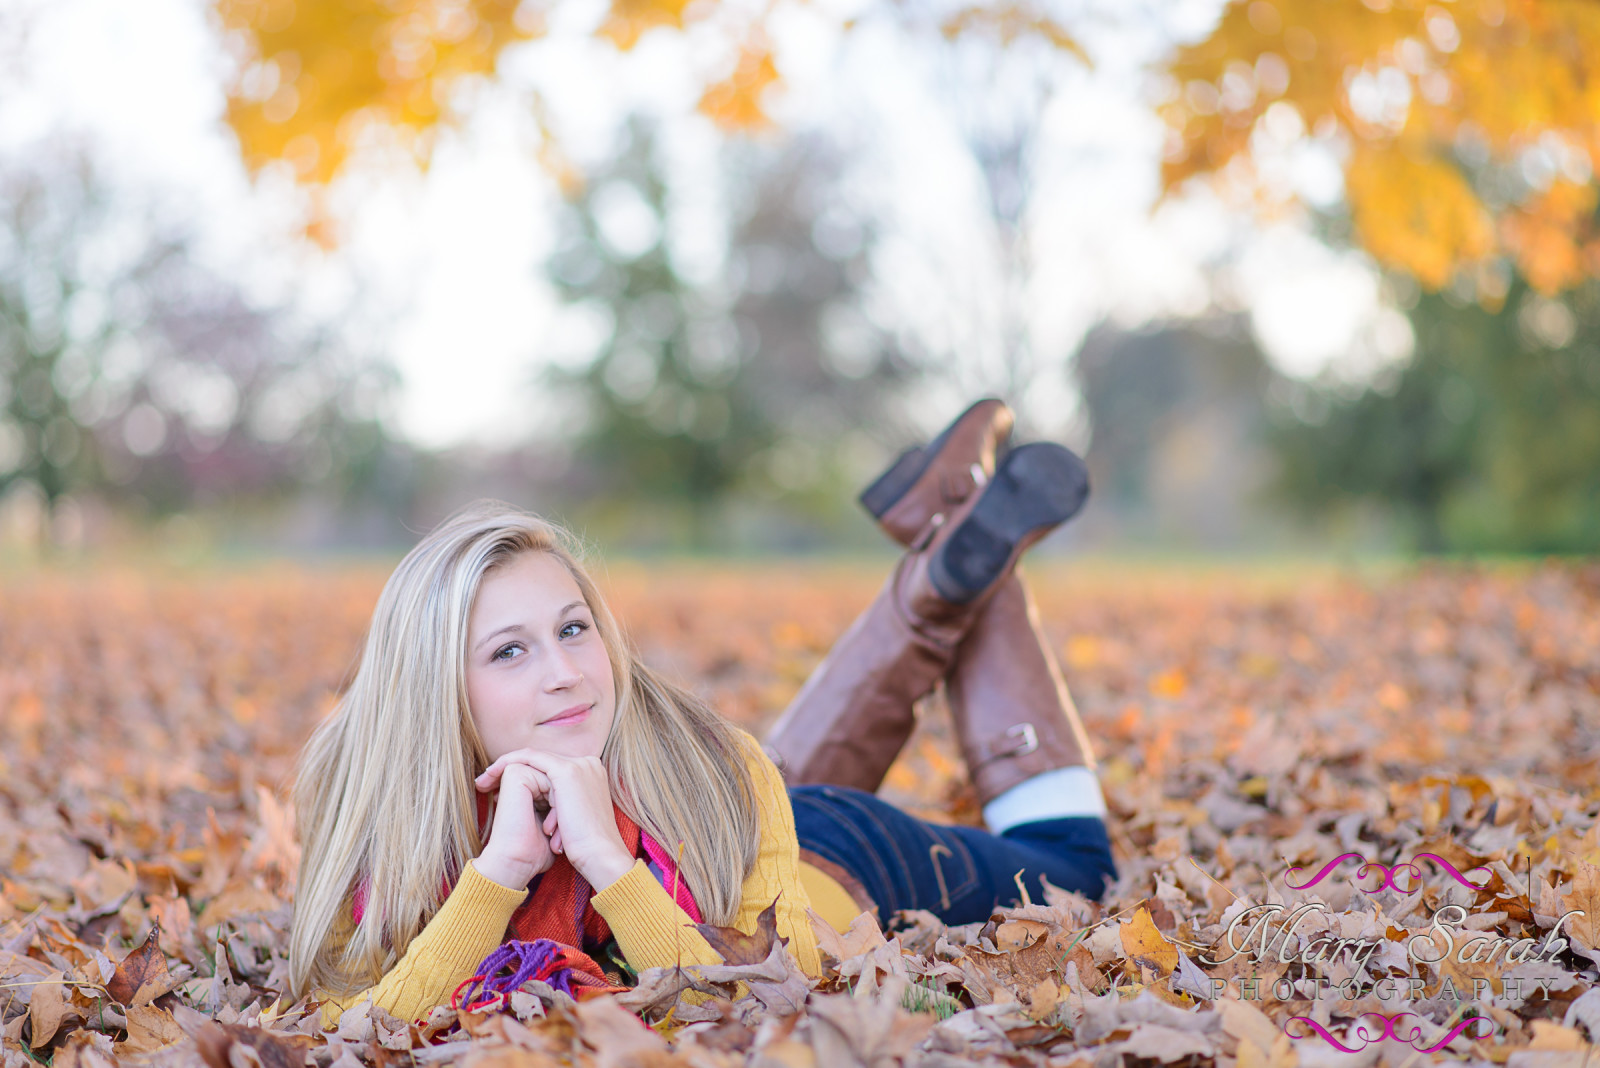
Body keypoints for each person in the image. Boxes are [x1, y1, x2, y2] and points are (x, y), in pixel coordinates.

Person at [284, 399, 1117, 1025]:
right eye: (510, 650)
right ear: (435, 689)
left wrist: (610, 866)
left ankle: (964, 535)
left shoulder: (715, 763)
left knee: (1074, 861)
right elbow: (356, 1030)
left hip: (833, 863)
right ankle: (955, 525)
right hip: (727, 832)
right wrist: (497, 875)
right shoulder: (377, 815)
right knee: (730, 778)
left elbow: (760, 1013)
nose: (569, 673)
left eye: (574, 629)